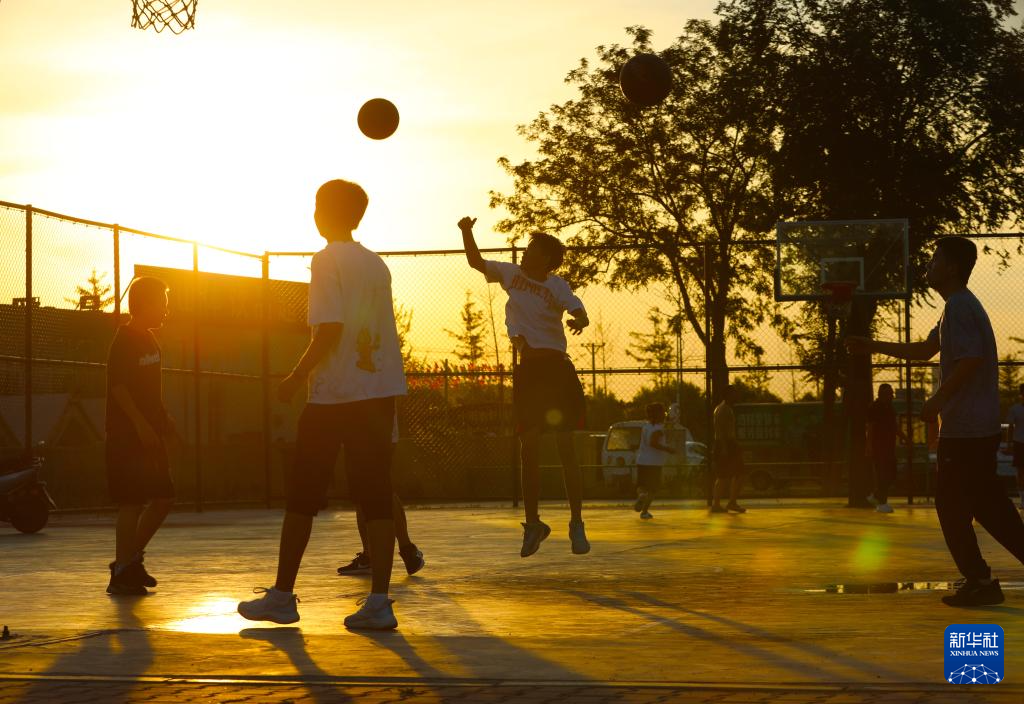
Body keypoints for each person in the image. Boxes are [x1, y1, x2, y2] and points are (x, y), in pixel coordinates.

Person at [238, 179, 406, 629]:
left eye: (317, 206)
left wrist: (294, 378)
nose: (313, 214)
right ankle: (380, 602)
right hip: (379, 390)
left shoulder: (326, 259)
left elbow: (328, 330)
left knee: (303, 495)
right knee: (375, 498)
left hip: (336, 395)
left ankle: (283, 596)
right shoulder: (376, 264)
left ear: (327, 214)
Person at [847, 236, 1024, 607]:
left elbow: (971, 359)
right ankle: (978, 579)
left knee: (953, 504)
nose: (929, 265)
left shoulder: (960, 307)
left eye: (936, 259)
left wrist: (939, 398)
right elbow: (926, 350)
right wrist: (873, 346)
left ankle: (979, 580)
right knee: (986, 503)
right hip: (971, 428)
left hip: (967, 429)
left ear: (953, 268)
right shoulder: (953, 309)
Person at [458, 216, 590, 557]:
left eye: (533, 248)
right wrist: (467, 231)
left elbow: (576, 308)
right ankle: (534, 524)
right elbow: (475, 261)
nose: (527, 250)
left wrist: (580, 319)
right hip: (530, 372)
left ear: (546, 258)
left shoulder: (557, 285)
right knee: (528, 447)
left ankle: (576, 522)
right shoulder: (510, 275)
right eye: (528, 246)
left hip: (557, 370)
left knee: (565, 447)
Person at [104, 276, 177, 595]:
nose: (166, 309)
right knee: (131, 502)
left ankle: (129, 561)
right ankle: (122, 572)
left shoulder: (151, 341)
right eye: (162, 302)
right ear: (145, 305)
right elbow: (118, 388)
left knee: (164, 498)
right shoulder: (124, 340)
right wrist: (139, 425)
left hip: (151, 436)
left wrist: (164, 421)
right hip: (127, 437)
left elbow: (151, 390)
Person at [338, 415, 424, 576]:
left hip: (370, 428)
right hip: (365, 428)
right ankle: (403, 551)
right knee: (372, 487)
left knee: (372, 488)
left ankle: (380, 555)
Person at [866, 383, 907, 514]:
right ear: (881, 395)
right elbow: (870, 429)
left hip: (889, 447)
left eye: (891, 394)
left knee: (891, 473)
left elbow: (894, 426)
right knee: (883, 474)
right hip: (878, 447)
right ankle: (882, 502)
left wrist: (905, 438)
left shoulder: (889, 407)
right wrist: (869, 446)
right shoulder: (875, 408)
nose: (891, 396)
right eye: (889, 394)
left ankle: (877, 497)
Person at [634, 403, 677, 519]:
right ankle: (644, 511)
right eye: (663, 412)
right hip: (654, 463)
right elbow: (653, 443)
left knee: (641, 485)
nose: (664, 414)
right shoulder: (658, 428)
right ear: (658, 414)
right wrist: (668, 449)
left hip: (642, 461)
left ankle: (641, 495)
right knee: (653, 489)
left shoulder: (645, 427)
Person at [711, 384, 746, 513]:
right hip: (725, 444)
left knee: (728, 475)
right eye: (734, 393)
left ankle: (723, 503)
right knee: (729, 475)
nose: (736, 395)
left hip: (726, 444)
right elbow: (720, 431)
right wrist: (725, 448)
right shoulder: (724, 410)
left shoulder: (722, 408)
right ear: (728, 395)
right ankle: (728, 503)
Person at [1006, 384, 1024, 510]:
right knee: (1021, 473)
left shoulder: (1015, 409)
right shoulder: (1015, 409)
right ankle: (1023, 500)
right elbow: (1010, 427)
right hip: (1019, 444)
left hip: (1018, 443)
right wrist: (1010, 444)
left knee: (1021, 473)